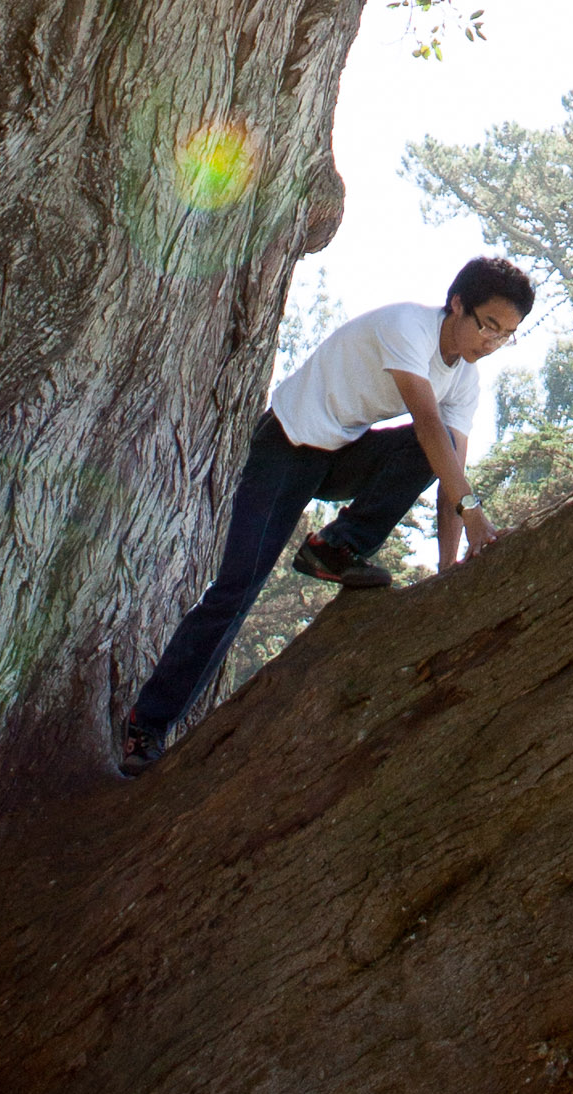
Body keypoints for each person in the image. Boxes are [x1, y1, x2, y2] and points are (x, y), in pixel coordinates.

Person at [120, 256, 535, 769]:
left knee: (443, 447)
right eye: (488, 326)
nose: (491, 343)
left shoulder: (464, 381)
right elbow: (426, 424)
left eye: (506, 336)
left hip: (342, 457)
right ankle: (147, 726)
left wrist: (449, 566)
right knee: (236, 588)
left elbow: (452, 473)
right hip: (288, 446)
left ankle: (336, 547)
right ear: (457, 305)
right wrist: (473, 511)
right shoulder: (409, 326)